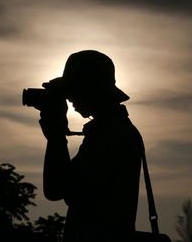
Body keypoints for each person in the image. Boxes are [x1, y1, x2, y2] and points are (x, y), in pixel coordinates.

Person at [39, 50, 143, 242]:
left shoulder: (111, 134)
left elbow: (56, 189)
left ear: (89, 89)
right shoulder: (114, 130)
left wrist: (56, 136)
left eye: (73, 90)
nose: (69, 99)